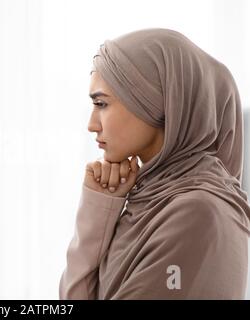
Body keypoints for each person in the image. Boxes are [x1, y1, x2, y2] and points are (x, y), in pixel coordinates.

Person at [59, 28, 250, 299]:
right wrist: (97, 211)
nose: (91, 125)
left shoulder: (198, 213)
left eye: (101, 104)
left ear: (157, 103)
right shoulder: (148, 198)